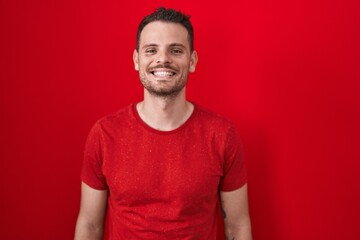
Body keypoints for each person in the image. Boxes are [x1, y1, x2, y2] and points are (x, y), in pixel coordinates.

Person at [74, 7, 252, 240]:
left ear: (192, 61)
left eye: (176, 50)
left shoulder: (222, 135)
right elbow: (89, 226)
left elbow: (237, 227)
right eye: (151, 50)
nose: (163, 59)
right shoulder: (104, 133)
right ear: (137, 60)